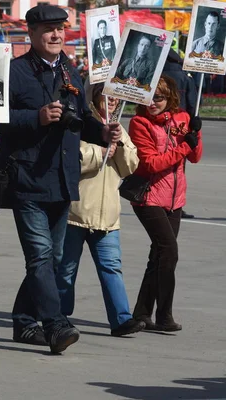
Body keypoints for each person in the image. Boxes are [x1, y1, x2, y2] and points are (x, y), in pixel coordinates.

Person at [0, 4, 122, 353]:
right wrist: (36, 117)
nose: (57, 35)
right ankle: (55, 324)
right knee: (39, 257)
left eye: (61, 29)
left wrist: (103, 132)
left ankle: (24, 322)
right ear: (32, 34)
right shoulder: (15, 72)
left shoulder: (69, 69)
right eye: (49, 30)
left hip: (63, 179)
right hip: (27, 178)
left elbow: (82, 116)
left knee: (51, 258)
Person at [55, 83, 144, 337]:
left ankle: (121, 319)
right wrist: (102, 150)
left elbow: (130, 166)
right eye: (106, 94)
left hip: (108, 216)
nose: (112, 100)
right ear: (94, 96)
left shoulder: (118, 127)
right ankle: (59, 317)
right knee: (66, 270)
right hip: (76, 211)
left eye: (116, 96)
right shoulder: (82, 123)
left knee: (111, 267)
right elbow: (72, 159)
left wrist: (120, 146)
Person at [128, 75, 203, 332]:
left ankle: (141, 313)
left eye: (158, 98)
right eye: (148, 98)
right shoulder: (139, 123)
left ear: (169, 97)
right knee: (169, 251)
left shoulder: (181, 118)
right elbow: (150, 163)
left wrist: (196, 133)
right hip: (149, 197)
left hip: (175, 197)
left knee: (158, 255)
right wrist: (183, 148)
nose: (153, 103)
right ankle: (164, 315)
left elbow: (195, 157)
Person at [162, 49, 200, 219]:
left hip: (159, 124)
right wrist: (193, 123)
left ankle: (159, 202)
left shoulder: (157, 74)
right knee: (178, 168)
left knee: (160, 164)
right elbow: (193, 103)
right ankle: (175, 206)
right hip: (180, 127)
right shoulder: (185, 76)